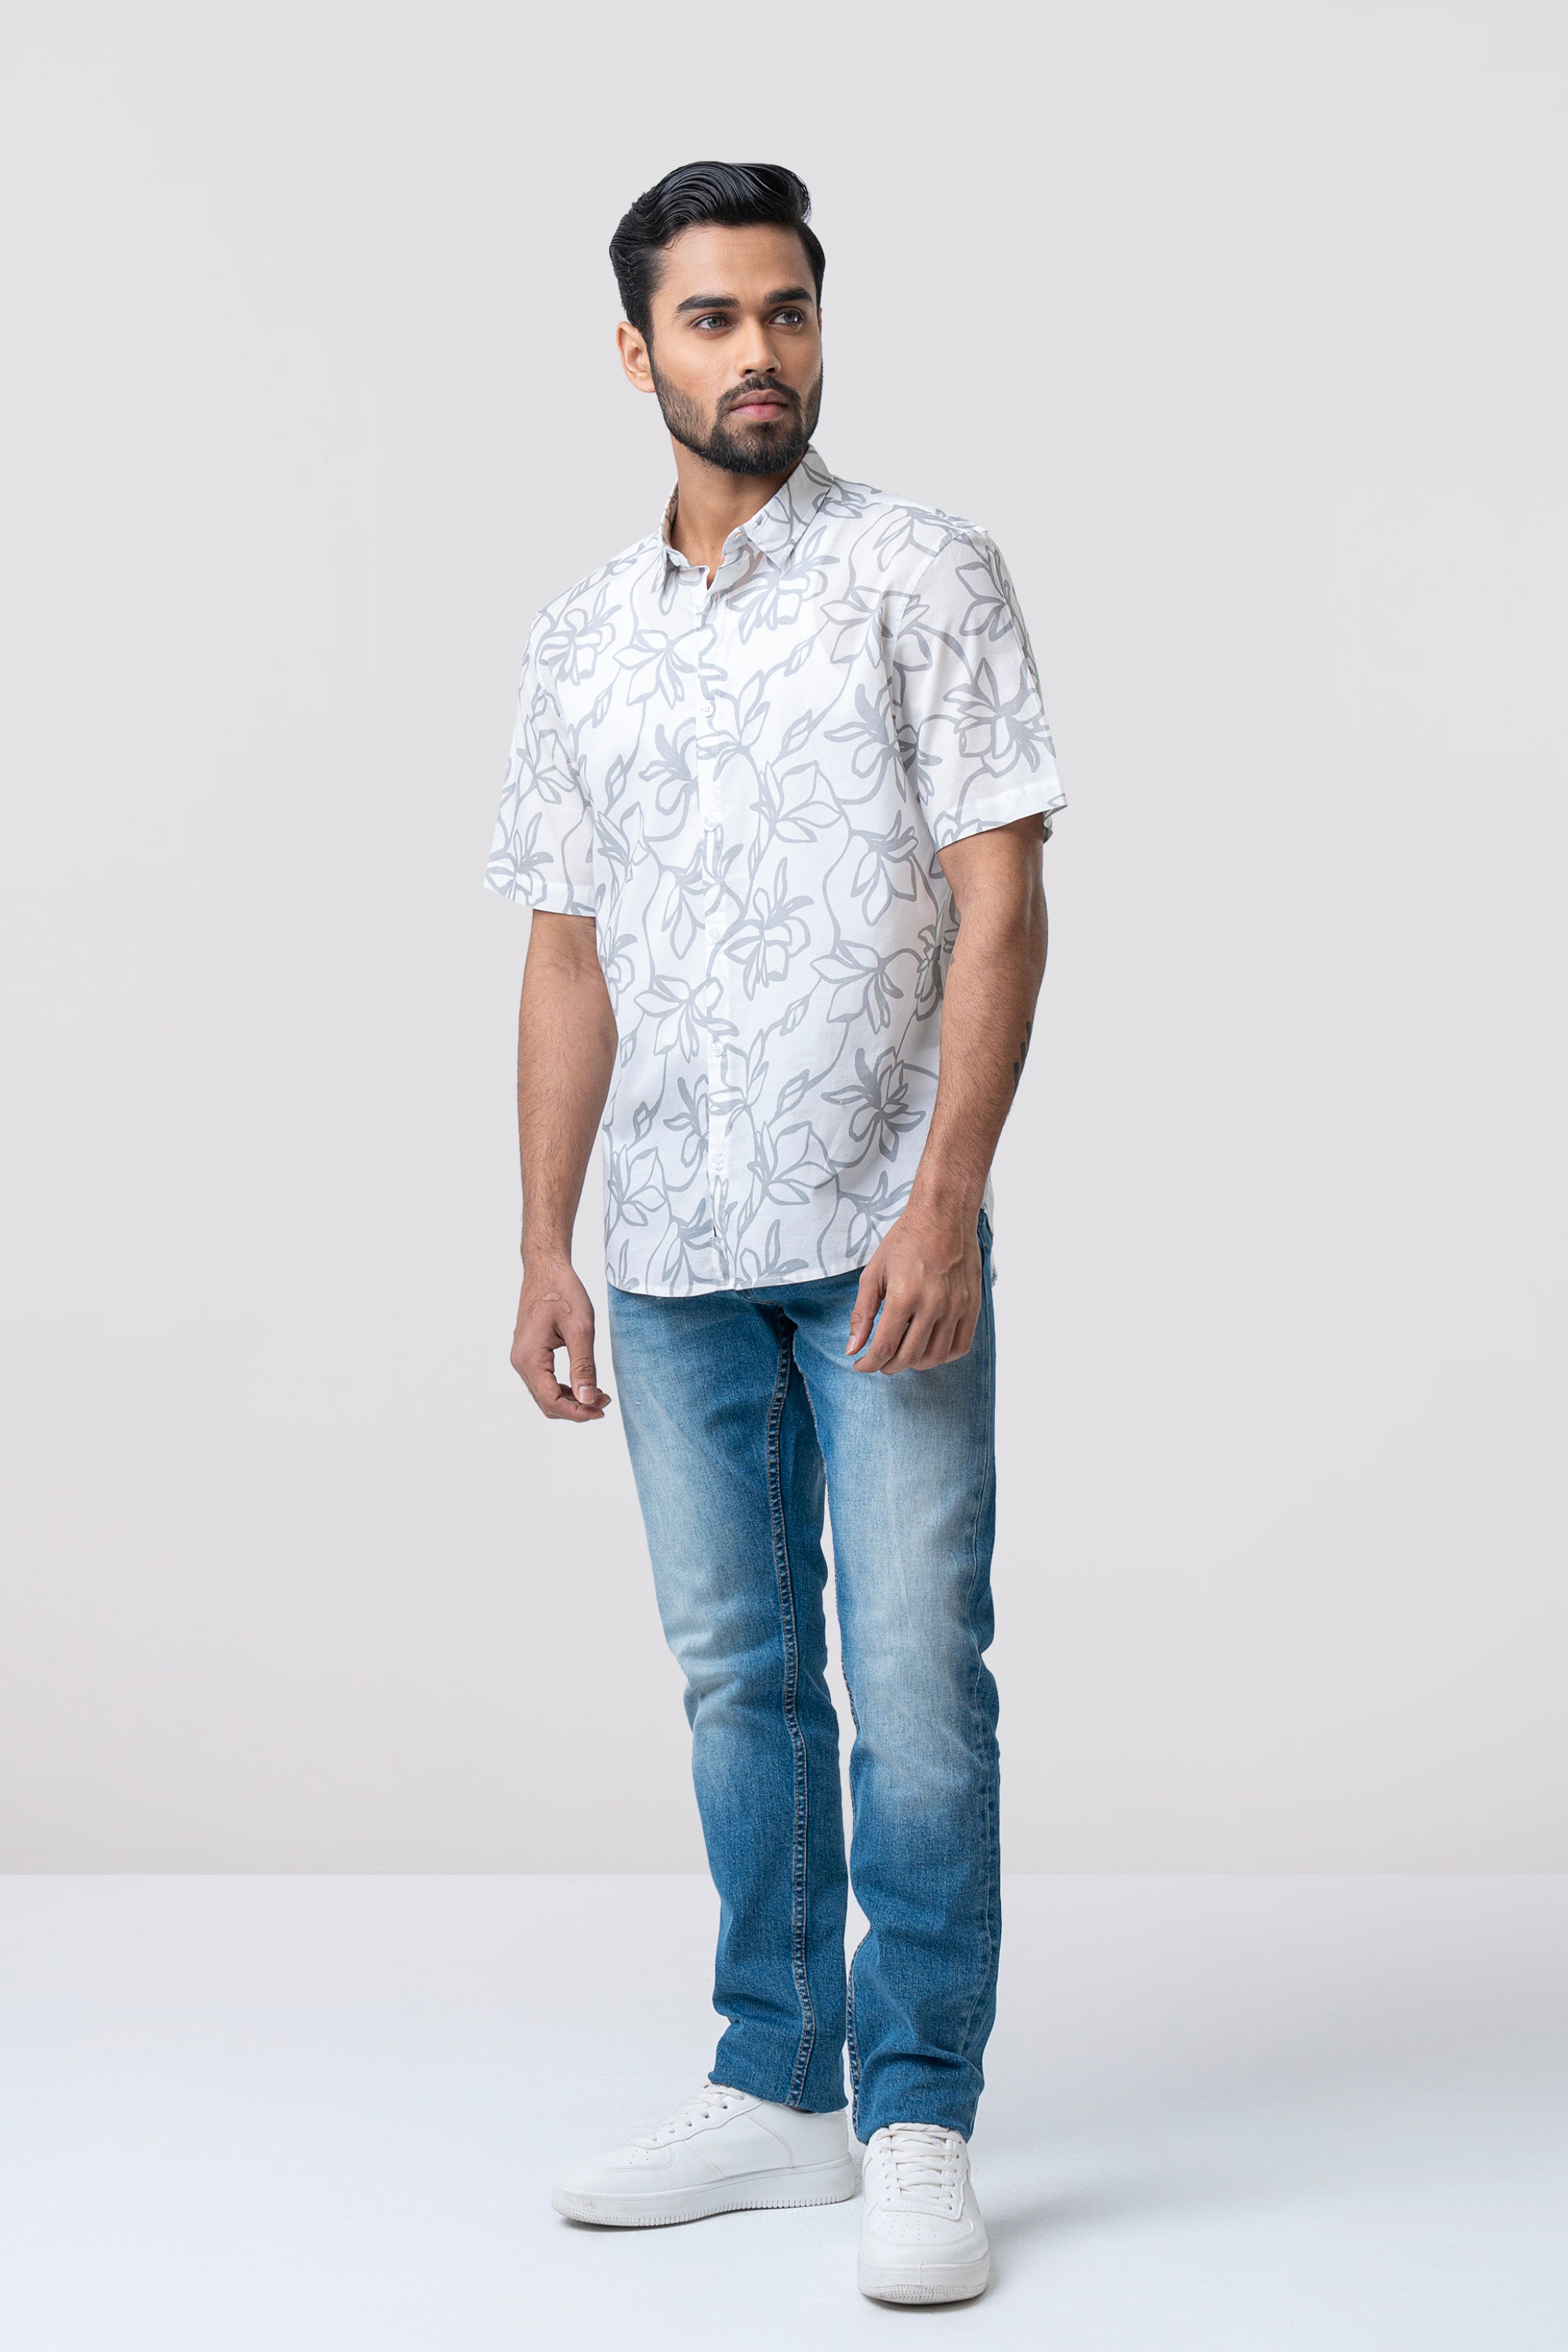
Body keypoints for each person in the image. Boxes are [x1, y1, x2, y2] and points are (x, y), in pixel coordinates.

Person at [485, 160, 1065, 2307]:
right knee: (741, 1679)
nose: (760, 354)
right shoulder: (581, 640)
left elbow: (1002, 900)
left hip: (881, 1232)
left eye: (788, 312)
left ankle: (916, 2112)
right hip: (665, 1251)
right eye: (715, 319)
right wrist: (546, 1245)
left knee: (914, 1680)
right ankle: (776, 2085)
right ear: (636, 350)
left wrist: (949, 1199)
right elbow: (566, 957)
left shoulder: (924, 572)